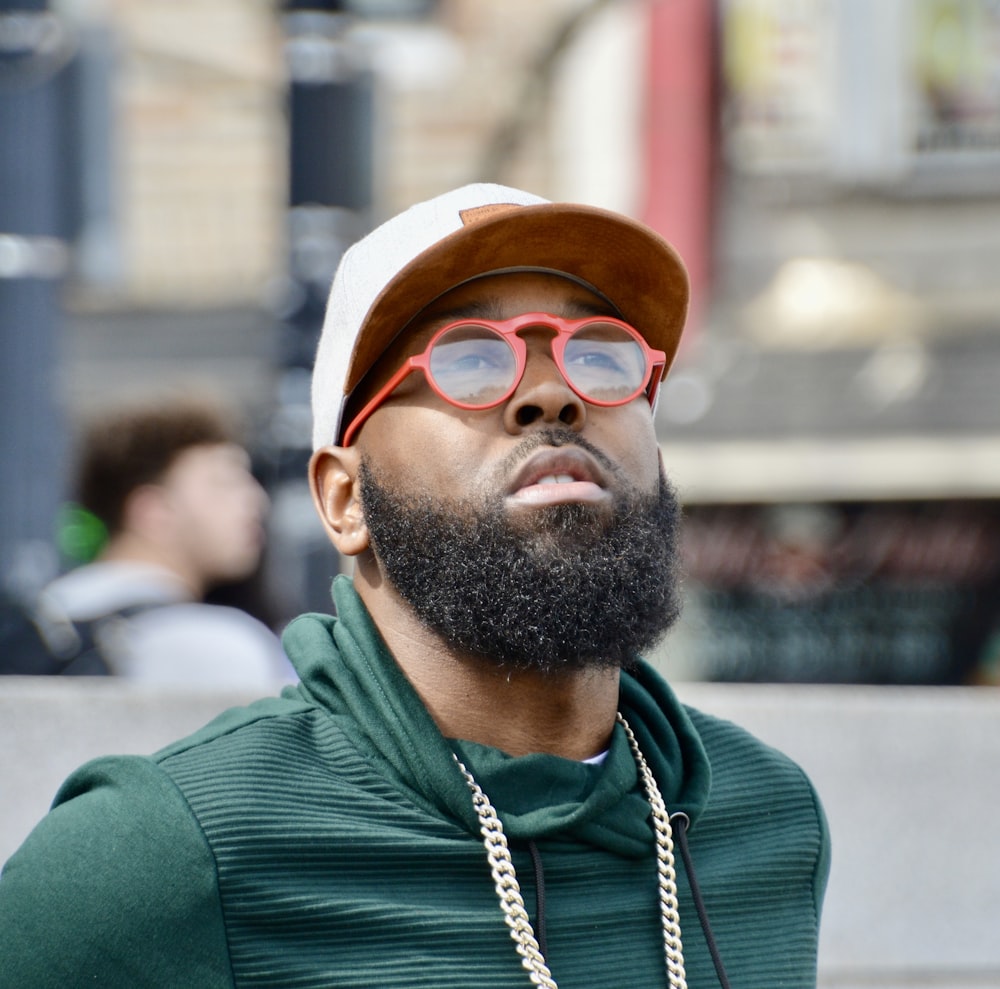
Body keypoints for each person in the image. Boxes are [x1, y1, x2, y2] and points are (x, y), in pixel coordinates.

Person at [0, 184, 829, 987]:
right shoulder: (164, 853)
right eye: (469, 358)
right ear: (345, 498)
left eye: (601, 354)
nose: (553, 393)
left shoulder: (769, 816)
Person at [30, 396, 291, 684]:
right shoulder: (224, 646)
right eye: (224, 484)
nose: (256, 502)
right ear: (152, 511)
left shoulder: (35, 625)